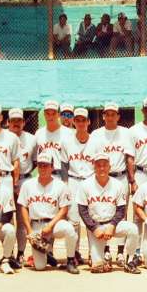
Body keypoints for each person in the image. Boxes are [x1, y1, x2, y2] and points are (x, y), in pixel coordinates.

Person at [77, 153, 141, 274]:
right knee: (97, 267)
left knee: (132, 229)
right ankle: (100, 260)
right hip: (95, 228)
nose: (102, 168)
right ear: (94, 167)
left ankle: (130, 261)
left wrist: (112, 225)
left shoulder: (118, 185)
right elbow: (82, 211)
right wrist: (94, 227)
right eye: (98, 165)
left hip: (113, 225)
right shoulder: (85, 185)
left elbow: (122, 209)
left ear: (109, 167)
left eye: (105, 165)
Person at [17, 152, 80, 274]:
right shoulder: (28, 185)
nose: (43, 168)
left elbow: (64, 209)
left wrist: (51, 226)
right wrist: (29, 231)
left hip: (55, 224)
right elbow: (23, 207)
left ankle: (71, 260)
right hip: (36, 226)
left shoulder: (60, 185)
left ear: (52, 167)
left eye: (46, 165)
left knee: (70, 230)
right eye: (40, 165)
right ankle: (47, 253)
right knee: (40, 267)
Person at [59, 107, 94, 265]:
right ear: (74, 122)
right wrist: (65, 184)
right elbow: (64, 165)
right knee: (73, 220)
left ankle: (93, 253)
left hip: (90, 181)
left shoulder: (96, 141)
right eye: (77, 120)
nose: (80, 123)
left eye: (83, 120)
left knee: (92, 218)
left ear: (88, 122)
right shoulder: (67, 141)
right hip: (73, 180)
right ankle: (73, 254)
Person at [7, 107, 36, 266]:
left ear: (24, 122)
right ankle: (8, 253)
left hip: (25, 180)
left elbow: (36, 162)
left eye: (19, 120)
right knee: (7, 219)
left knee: (23, 220)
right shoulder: (3, 138)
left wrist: (22, 179)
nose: (16, 123)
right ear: (8, 122)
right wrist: (12, 181)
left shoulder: (31, 139)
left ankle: (20, 253)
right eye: (13, 121)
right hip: (5, 181)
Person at [34, 100, 71, 182]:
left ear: (58, 115)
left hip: (61, 175)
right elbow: (35, 158)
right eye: (48, 113)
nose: (50, 116)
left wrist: (66, 180)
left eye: (53, 113)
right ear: (44, 114)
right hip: (43, 176)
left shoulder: (68, 133)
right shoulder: (39, 133)